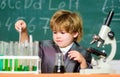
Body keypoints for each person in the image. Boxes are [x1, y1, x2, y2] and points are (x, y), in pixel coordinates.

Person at [15, 10, 92, 73]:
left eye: (62, 33)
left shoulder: (83, 53)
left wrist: (83, 62)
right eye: (55, 32)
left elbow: (87, 73)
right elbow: (26, 48)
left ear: (75, 33)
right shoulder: (44, 46)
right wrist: (24, 31)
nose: (58, 36)